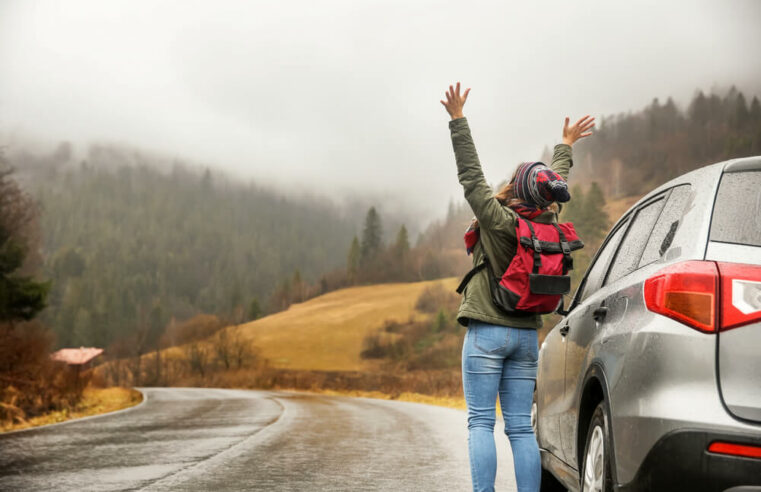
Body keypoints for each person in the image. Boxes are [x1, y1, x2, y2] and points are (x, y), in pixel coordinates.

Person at [440, 82, 594, 492]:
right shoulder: (550, 225)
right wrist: (566, 147)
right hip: (527, 336)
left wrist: (458, 121)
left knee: (480, 422)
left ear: (517, 189)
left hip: (487, 333)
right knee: (521, 431)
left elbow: (471, 176)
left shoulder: (499, 221)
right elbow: (554, 182)